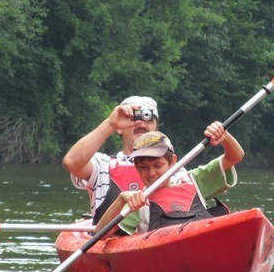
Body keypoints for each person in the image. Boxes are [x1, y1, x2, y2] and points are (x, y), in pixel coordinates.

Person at [95, 122, 244, 236]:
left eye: (157, 165)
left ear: (173, 162)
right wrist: (121, 199)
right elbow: (100, 234)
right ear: (136, 167)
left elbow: (235, 156)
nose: (151, 173)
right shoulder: (140, 201)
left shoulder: (195, 180)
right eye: (143, 167)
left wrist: (225, 137)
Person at [62, 96, 161, 231]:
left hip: (157, 237)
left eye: (148, 119)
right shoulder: (102, 164)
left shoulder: (174, 170)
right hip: (107, 240)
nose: (142, 125)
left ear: (156, 128)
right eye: (135, 119)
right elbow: (71, 163)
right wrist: (111, 124)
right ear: (120, 128)